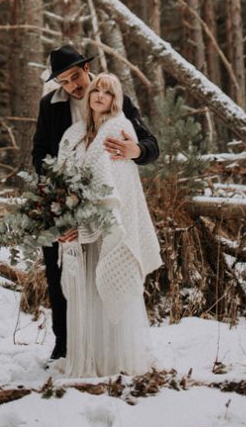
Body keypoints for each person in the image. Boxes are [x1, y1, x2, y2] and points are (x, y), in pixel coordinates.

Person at [31, 44, 160, 361]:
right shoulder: (50, 106)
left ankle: (107, 346)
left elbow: (150, 144)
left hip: (105, 204)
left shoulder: (114, 97)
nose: (72, 86)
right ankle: (64, 345)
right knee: (59, 271)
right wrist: (62, 188)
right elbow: (39, 154)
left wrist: (136, 150)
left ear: (86, 69)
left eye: (75, 77)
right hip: (62, 199)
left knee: (104, 269)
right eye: (63, 81)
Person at [56, 72, 162, 377]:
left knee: (109, 286)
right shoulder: (74, 133)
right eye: (96, 91)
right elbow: (63, 178)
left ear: (116, 100)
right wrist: (65, 219)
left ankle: (117, 361)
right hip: (80, 223)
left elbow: (110, 184)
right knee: (87, 293)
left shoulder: (118, 127)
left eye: (108, 92)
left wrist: (137, 149)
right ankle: (91, 359)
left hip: (108, 225)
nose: (100, 96)